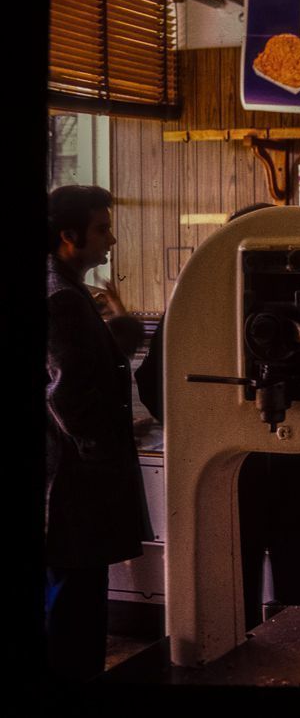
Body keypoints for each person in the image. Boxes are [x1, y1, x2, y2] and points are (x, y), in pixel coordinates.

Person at [134, 203, 300, 630]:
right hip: (298, 455)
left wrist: (198, 432)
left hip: (230, 464)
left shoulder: (196, 296)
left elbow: (152, 379)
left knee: (233, 579)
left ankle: (239, 661)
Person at [45, 185, 151, 681]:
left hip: (70, 478)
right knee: (75, 610)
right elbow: (67, 397)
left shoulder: (66, 291)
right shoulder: (63, 299)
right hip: (75, 486)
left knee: (75, 602)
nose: (111, 239)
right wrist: (103, 456)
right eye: (102, 229)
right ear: (69, 237)